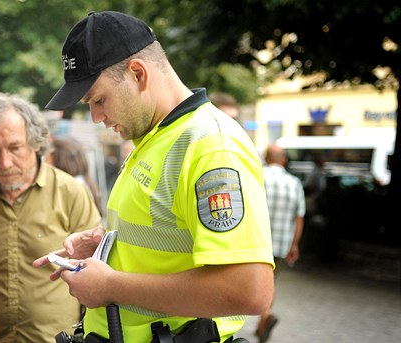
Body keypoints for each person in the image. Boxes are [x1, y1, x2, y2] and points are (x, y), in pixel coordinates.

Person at [34, 11, 275, 342]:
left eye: (99, 99)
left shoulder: (211, 146)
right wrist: (106, 246)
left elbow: (250, 290)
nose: (95, 117)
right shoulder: (154, 137)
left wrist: (109, 285)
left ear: (137, 73)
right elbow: (168, 237)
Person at [0, 91, 102, 343]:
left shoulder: (71, 193)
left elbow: (96, 275)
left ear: (35, 142)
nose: (4, 162)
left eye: (15, 147)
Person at [257, 144, 305, 343]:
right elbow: (299, 217)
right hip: (281, 243)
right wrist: (294, 245)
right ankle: (265, 317)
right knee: (271, 282)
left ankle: (264, 318)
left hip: (256, 242)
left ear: (266, 158)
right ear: (283, 160)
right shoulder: (294, 182)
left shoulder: (257, 175)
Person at [46, 136, 102, 214]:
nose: (45, 161)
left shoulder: (73, 187)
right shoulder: (83, 182)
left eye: (49, 155)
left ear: (61, 158)